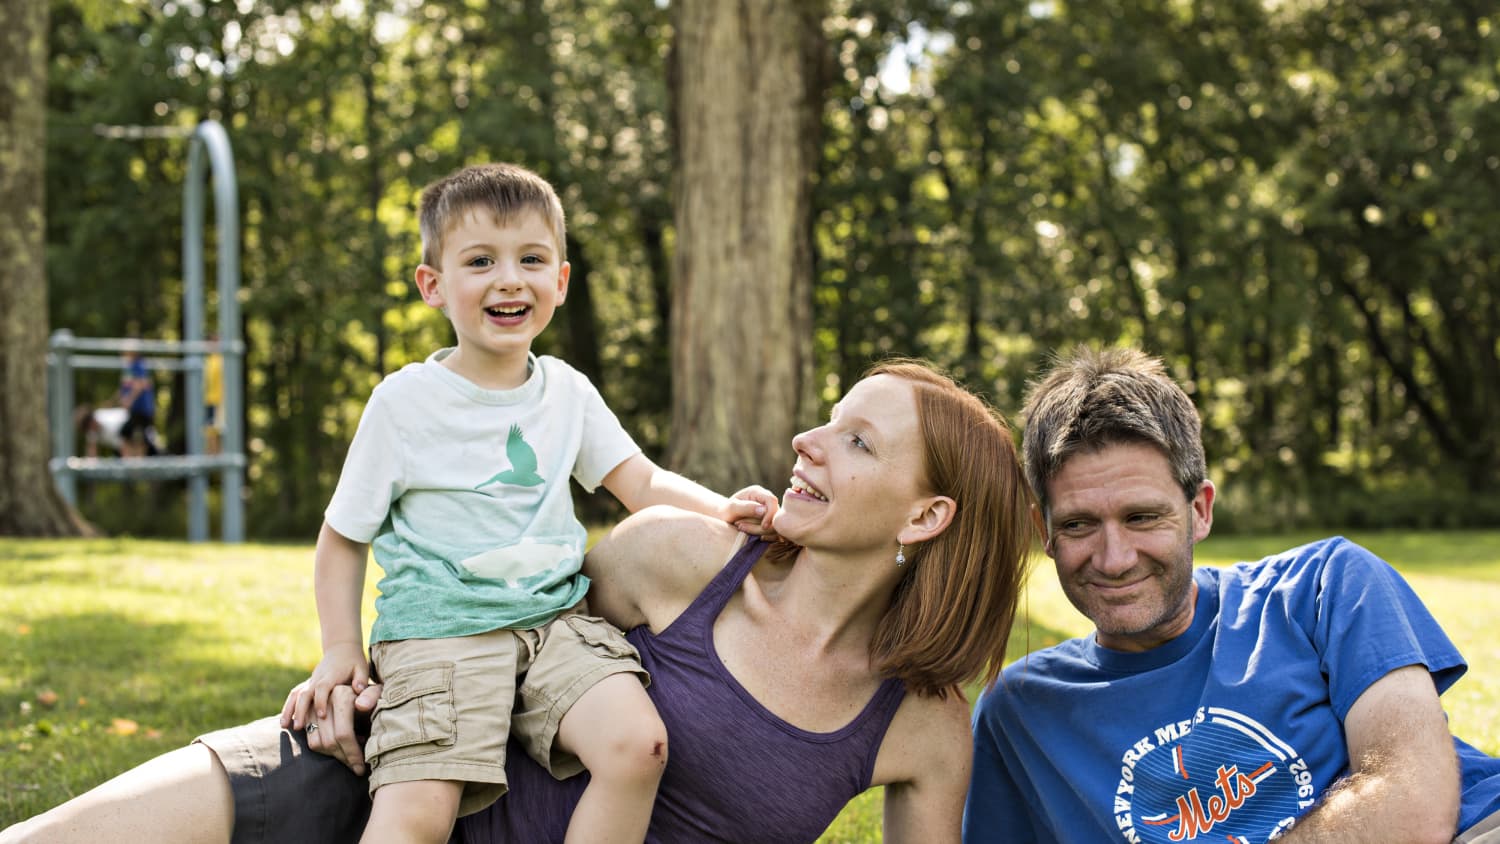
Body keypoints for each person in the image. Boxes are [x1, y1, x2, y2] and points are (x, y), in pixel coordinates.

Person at [1, 357, 1033, 844]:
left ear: (926, 517)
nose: (810, 441)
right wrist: (349, 663)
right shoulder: (679, 557)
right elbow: (488, 616)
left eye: (859, 441)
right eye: (827, 419)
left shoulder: (924, 722)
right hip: (375, 794)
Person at [291, 162, 777, 844]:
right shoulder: (403, 403)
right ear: (433, 285)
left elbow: (638, 481)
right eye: (481, 260)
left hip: (556, 625)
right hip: (441, 637)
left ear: (560, 280)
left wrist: (723, 509)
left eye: (531, 259)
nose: (509, 278)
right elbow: (343, 536)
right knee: (418, 813)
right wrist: (340, 646)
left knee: (638, 747)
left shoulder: (567, 393)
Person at [964, 346, 1500, 844]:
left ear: (1200, 510)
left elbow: (1411, 802)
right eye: (1080, 524)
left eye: (1142, 517)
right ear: (1044, 531)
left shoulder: (1324, 586)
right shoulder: (1021, 712)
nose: (1115, 558)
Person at [116, 347, 159, 457]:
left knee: (127, 434)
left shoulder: (137, 365)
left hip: (141, 409)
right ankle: (136, 463)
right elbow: (125, 388)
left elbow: (140, 385)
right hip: (138, 409)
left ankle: (134, 463)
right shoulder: (130, 366)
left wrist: (128, 400)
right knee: (138, 437)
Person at [202, 334, 224, 455]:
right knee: (209, 429)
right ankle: (212, 452)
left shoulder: (220, 360)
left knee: (214, 428)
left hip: (218, 399)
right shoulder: (209, 360)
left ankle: (215, 453)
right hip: (209, 399)